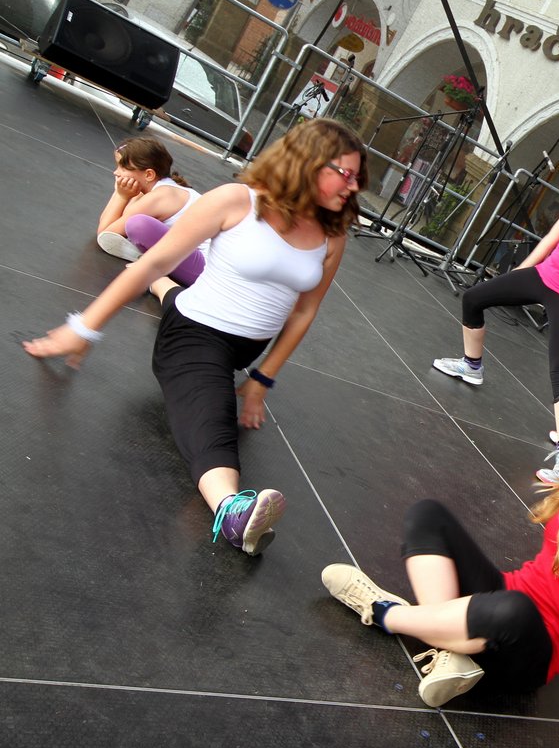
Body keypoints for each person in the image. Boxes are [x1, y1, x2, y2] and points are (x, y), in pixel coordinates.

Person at [25, 119, 366, 555]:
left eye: (358, 178)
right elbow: (151, 262)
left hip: (244, 349)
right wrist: (82, 329)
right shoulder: (235, 201)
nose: (354, 187)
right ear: (308, 164)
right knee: (212, 421)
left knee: (170, 292)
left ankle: (166, 291)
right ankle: (233, 512)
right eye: (346, 174)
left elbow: (304, 311)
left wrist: (262, 380)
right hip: (194, 335)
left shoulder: (332, 234)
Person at [319, 409, 559, 737]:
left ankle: (384, 612)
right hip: (506, 595)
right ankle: (451, 646)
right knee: (428, 514)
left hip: (534, 647)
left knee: (513, 609)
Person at [432, 144, 559, 483]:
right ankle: (472, 366)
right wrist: (521, 272)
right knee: (473, 298)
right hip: (544, 275)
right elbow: (551, 239)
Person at [95, 137, 207, 284]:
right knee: (134, 223)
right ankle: (149, 257)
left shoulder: (158, 197)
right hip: (200, 262)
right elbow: (117, 223)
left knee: (137, 225)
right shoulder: (165, 189)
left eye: (123, 167)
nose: (116, 172)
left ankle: (147, 259)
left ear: (149, 175)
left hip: (207, 272)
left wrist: (120, 195)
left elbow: (105, 235)